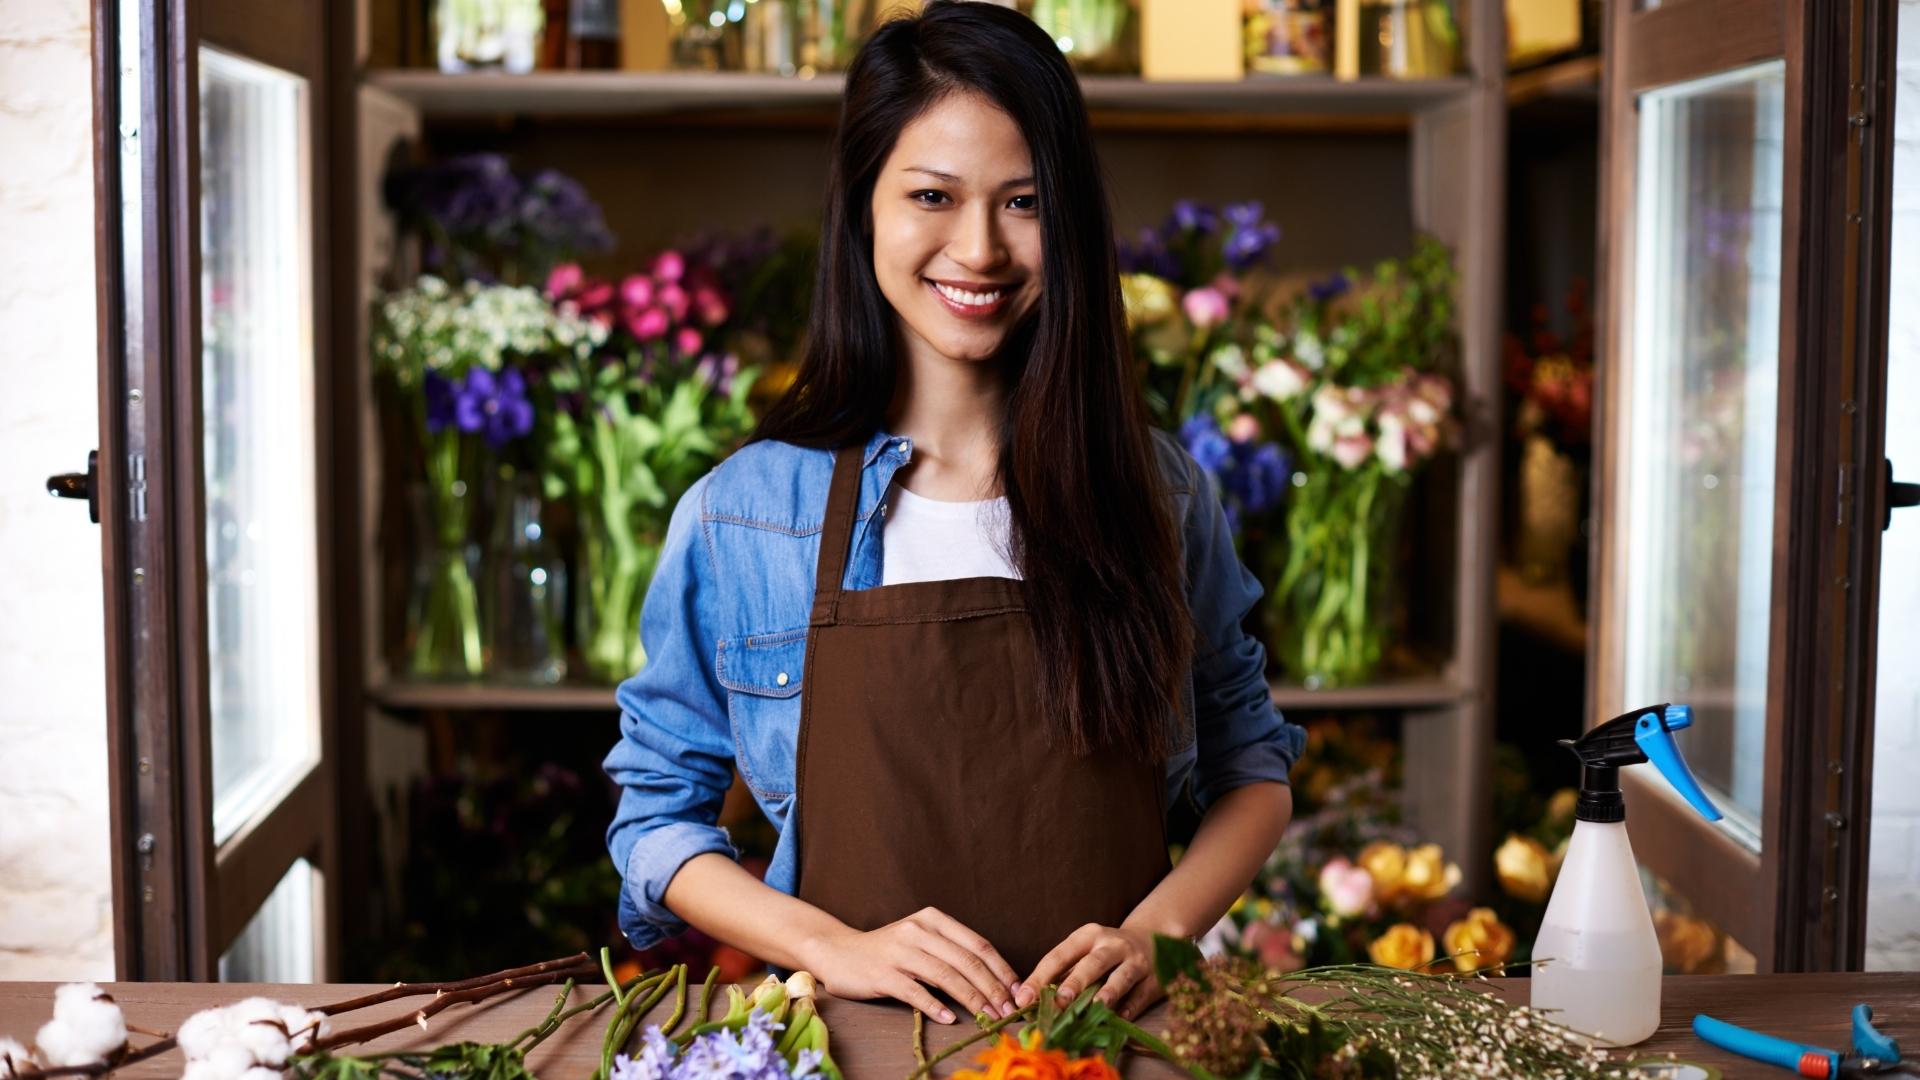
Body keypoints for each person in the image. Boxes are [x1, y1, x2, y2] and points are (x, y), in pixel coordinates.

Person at [604, 0, 1306, 1029]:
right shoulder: (743, 517)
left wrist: (1159, 934)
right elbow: (656, 818)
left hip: (1107, 1045)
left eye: (1023, 202)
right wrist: (833, 948)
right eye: (932, 195)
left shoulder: (1157, 495)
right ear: (865, 206)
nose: (978, 249)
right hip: (853, 1044)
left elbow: (1253, 767)